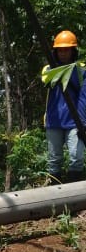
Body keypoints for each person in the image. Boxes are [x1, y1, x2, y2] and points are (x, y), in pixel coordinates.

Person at [41, 30, 86, 184]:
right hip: (54, 120)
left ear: (73, 51)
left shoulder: (81, 71)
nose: (63, 53)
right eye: (60, 50)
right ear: (55, 52)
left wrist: (83, 123)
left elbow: (83, 97)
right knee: (54, 160)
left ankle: (76, 199)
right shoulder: (48, 69)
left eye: (67, 50)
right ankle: (56, 200)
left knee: (76, 157)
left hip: (75, 122)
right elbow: (46, 80)